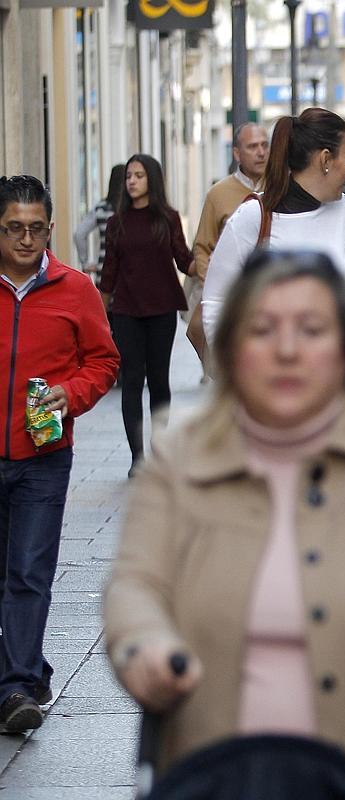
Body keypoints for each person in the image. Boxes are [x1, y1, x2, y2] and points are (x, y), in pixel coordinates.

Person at [103, 249, 345, 798]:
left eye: (311, 330)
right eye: (262, 329)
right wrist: (145, 645)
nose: (286, 350)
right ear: (231, 346)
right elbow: (136, 583)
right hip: (212, 770)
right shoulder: (180, 455)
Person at [0, 175, 119, 733]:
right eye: (13, 228)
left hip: (44, 454)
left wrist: (68, 396)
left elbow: (103, 361)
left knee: (28, 571)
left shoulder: (75, 290)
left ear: (50, 228)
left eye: (36, 228)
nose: (26, 239)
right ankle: (22, 666)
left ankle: (18, 685)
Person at [203, 107, 345, 348]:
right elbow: (216, 303)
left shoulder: (343, 209)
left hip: (333, 378)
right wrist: (241, 374)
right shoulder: (251, 216)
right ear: (325, 159)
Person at [100, 154, 194, 475]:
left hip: (162, 308)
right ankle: (137, 458)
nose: (132, 181)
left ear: (152, 179)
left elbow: (184, 260)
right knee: (131, 382)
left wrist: (212, 260)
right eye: (129, 176)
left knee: (159, 380)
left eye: (139, 175)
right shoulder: (117, 222)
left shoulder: (167, 218)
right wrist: (100, 318)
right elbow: (108, 273)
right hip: (126, 310)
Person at [187, 123, 270, 381]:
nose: (260, 152)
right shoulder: (218, 194)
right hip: (232, 303)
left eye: (264, 145)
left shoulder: (283, 188)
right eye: (252, 146)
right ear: (236, 153)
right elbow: (202, 246)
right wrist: (212, 283)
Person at [73, 165, 124, 282]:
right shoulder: (132, 210)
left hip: (104, 270)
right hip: (128, 274)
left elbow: (79, 234)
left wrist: (85, 262)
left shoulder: (101, 208)